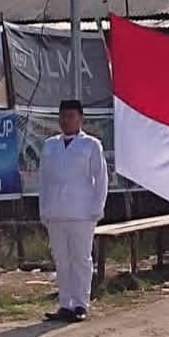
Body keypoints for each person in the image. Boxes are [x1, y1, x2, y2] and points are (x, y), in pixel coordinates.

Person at [39, 99, 109, 323]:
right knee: (61, 260)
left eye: (70, 116)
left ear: (81, 119)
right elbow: (43, 180)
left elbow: (101, 178)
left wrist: (97, 207)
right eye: (62, 116)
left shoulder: (91, 145)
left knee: (81, 259)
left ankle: (80, 303)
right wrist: (44, 209)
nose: (65, 121)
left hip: (82, 212)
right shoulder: (50, 145)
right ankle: (65, 304)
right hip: (56, 211)